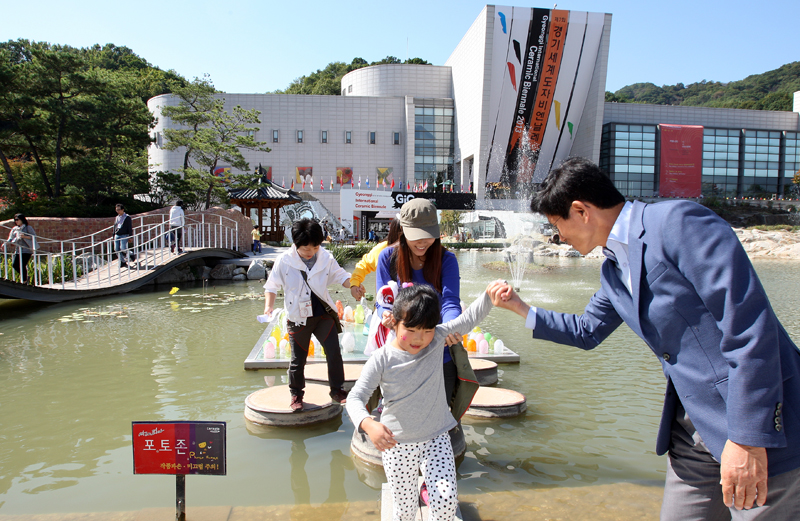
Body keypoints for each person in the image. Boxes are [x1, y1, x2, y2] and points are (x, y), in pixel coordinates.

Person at [494, 157, 800, 520]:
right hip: (691, 430)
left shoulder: (677, 223)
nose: (558, 236)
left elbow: (749, 329)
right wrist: (520, 307)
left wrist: (749, 438)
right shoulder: (612, 268)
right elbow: (586, 331)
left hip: (752, 426)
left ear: (581, 211)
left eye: (557, 224)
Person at [346, 282, 511, 521]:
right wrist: (368, 424)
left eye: (427, 330)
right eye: (411, 330)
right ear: (394, 321)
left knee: (445, 505)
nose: (419, 338)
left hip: (436, 438)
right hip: (397, 444)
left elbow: (469, 319)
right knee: (405, 512)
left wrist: (488, 295)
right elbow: (355, 397)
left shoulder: (438, 340)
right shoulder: (381, 359)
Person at [375, 198, 465, 408]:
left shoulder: (447, 260)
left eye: (429, 235)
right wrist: (385, 316)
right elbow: (383, 301)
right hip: (402, 353)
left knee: (441, 413)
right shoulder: (388, 258)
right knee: (401, 412)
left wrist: (449, 328)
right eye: (416, 236)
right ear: (403, 231)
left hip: (438, 352)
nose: (423, 242)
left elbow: (451, 302)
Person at [263, 218, 354, 411]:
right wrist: (268, 306)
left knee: (334, 352)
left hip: (323, 315)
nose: (310, 252)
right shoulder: (284, 261)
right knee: (298, 359)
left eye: (314, 248)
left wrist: (352, 284)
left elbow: (341, 275)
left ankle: (337, 389)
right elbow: (271, 286)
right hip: (298, 318)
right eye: (306, 249)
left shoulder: (326, 257)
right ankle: (296, 394)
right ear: (296, 244)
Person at [348, 217, 401, 300]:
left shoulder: (422, 249)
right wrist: (355, 284)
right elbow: (364, 265)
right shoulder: (384, 249)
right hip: (385, 305)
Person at [4, 213, 36, 283]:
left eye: (17, 219)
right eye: (15, 220)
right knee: (15, 265)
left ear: (22, 219)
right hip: (18, 250)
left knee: (22, 265)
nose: (16, 221)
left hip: (27, 249)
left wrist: (25, 236)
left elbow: (33, 236)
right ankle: (26, 277)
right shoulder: (15, 229)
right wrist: (5, 244)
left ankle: (24, 281)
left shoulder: (28, 227)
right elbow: (10, 238)